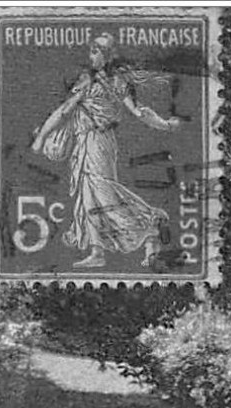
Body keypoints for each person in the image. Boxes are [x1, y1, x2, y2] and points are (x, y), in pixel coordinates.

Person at [30, 33, 180, 269]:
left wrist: (40, 138)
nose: (91, 55)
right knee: (89, 195)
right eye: (91, 50)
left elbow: (65, 111)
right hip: (89, 142)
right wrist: (166, 124)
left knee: (103, 193)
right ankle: (99, 250)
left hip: (98, 142)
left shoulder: (103, 81)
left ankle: (150, 225)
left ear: (107, 55)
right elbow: (66, 110)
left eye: (96, 50)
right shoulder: (94, 80)